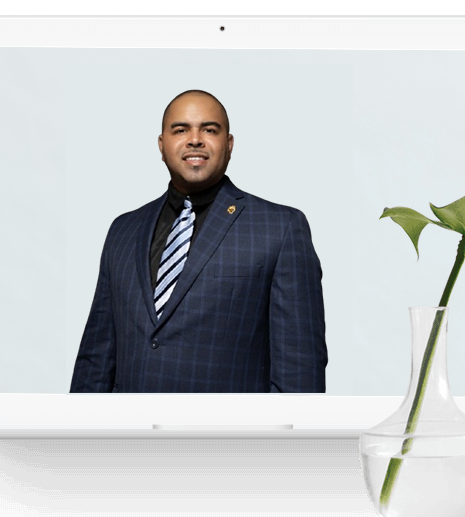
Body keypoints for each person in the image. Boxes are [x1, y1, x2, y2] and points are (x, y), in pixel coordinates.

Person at [69, 90, 326, 393]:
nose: (195, 139)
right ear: (162, 145)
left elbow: (300, 372)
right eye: (180, 129)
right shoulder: (123, 230)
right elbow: (95, 359)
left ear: (229, 145)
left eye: (209, 129)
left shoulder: (279, 228)